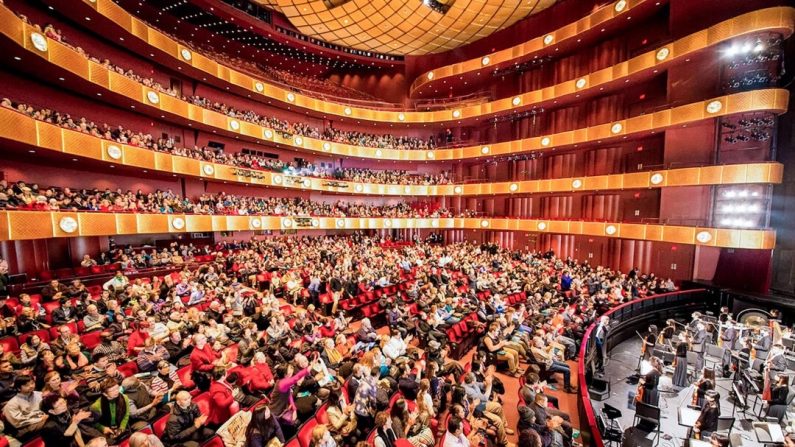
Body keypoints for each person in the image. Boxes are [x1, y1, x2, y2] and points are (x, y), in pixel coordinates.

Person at [89, 379, 130, 443]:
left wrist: (122, 428)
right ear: (105, 394)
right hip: (106, 430)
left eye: (117, 388)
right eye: (112, 390)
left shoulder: (124, 398)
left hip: (120, 427)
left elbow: (126, 414)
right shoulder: (96, 406)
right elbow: (93, 422)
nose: (117, 391)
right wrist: (102, 428)